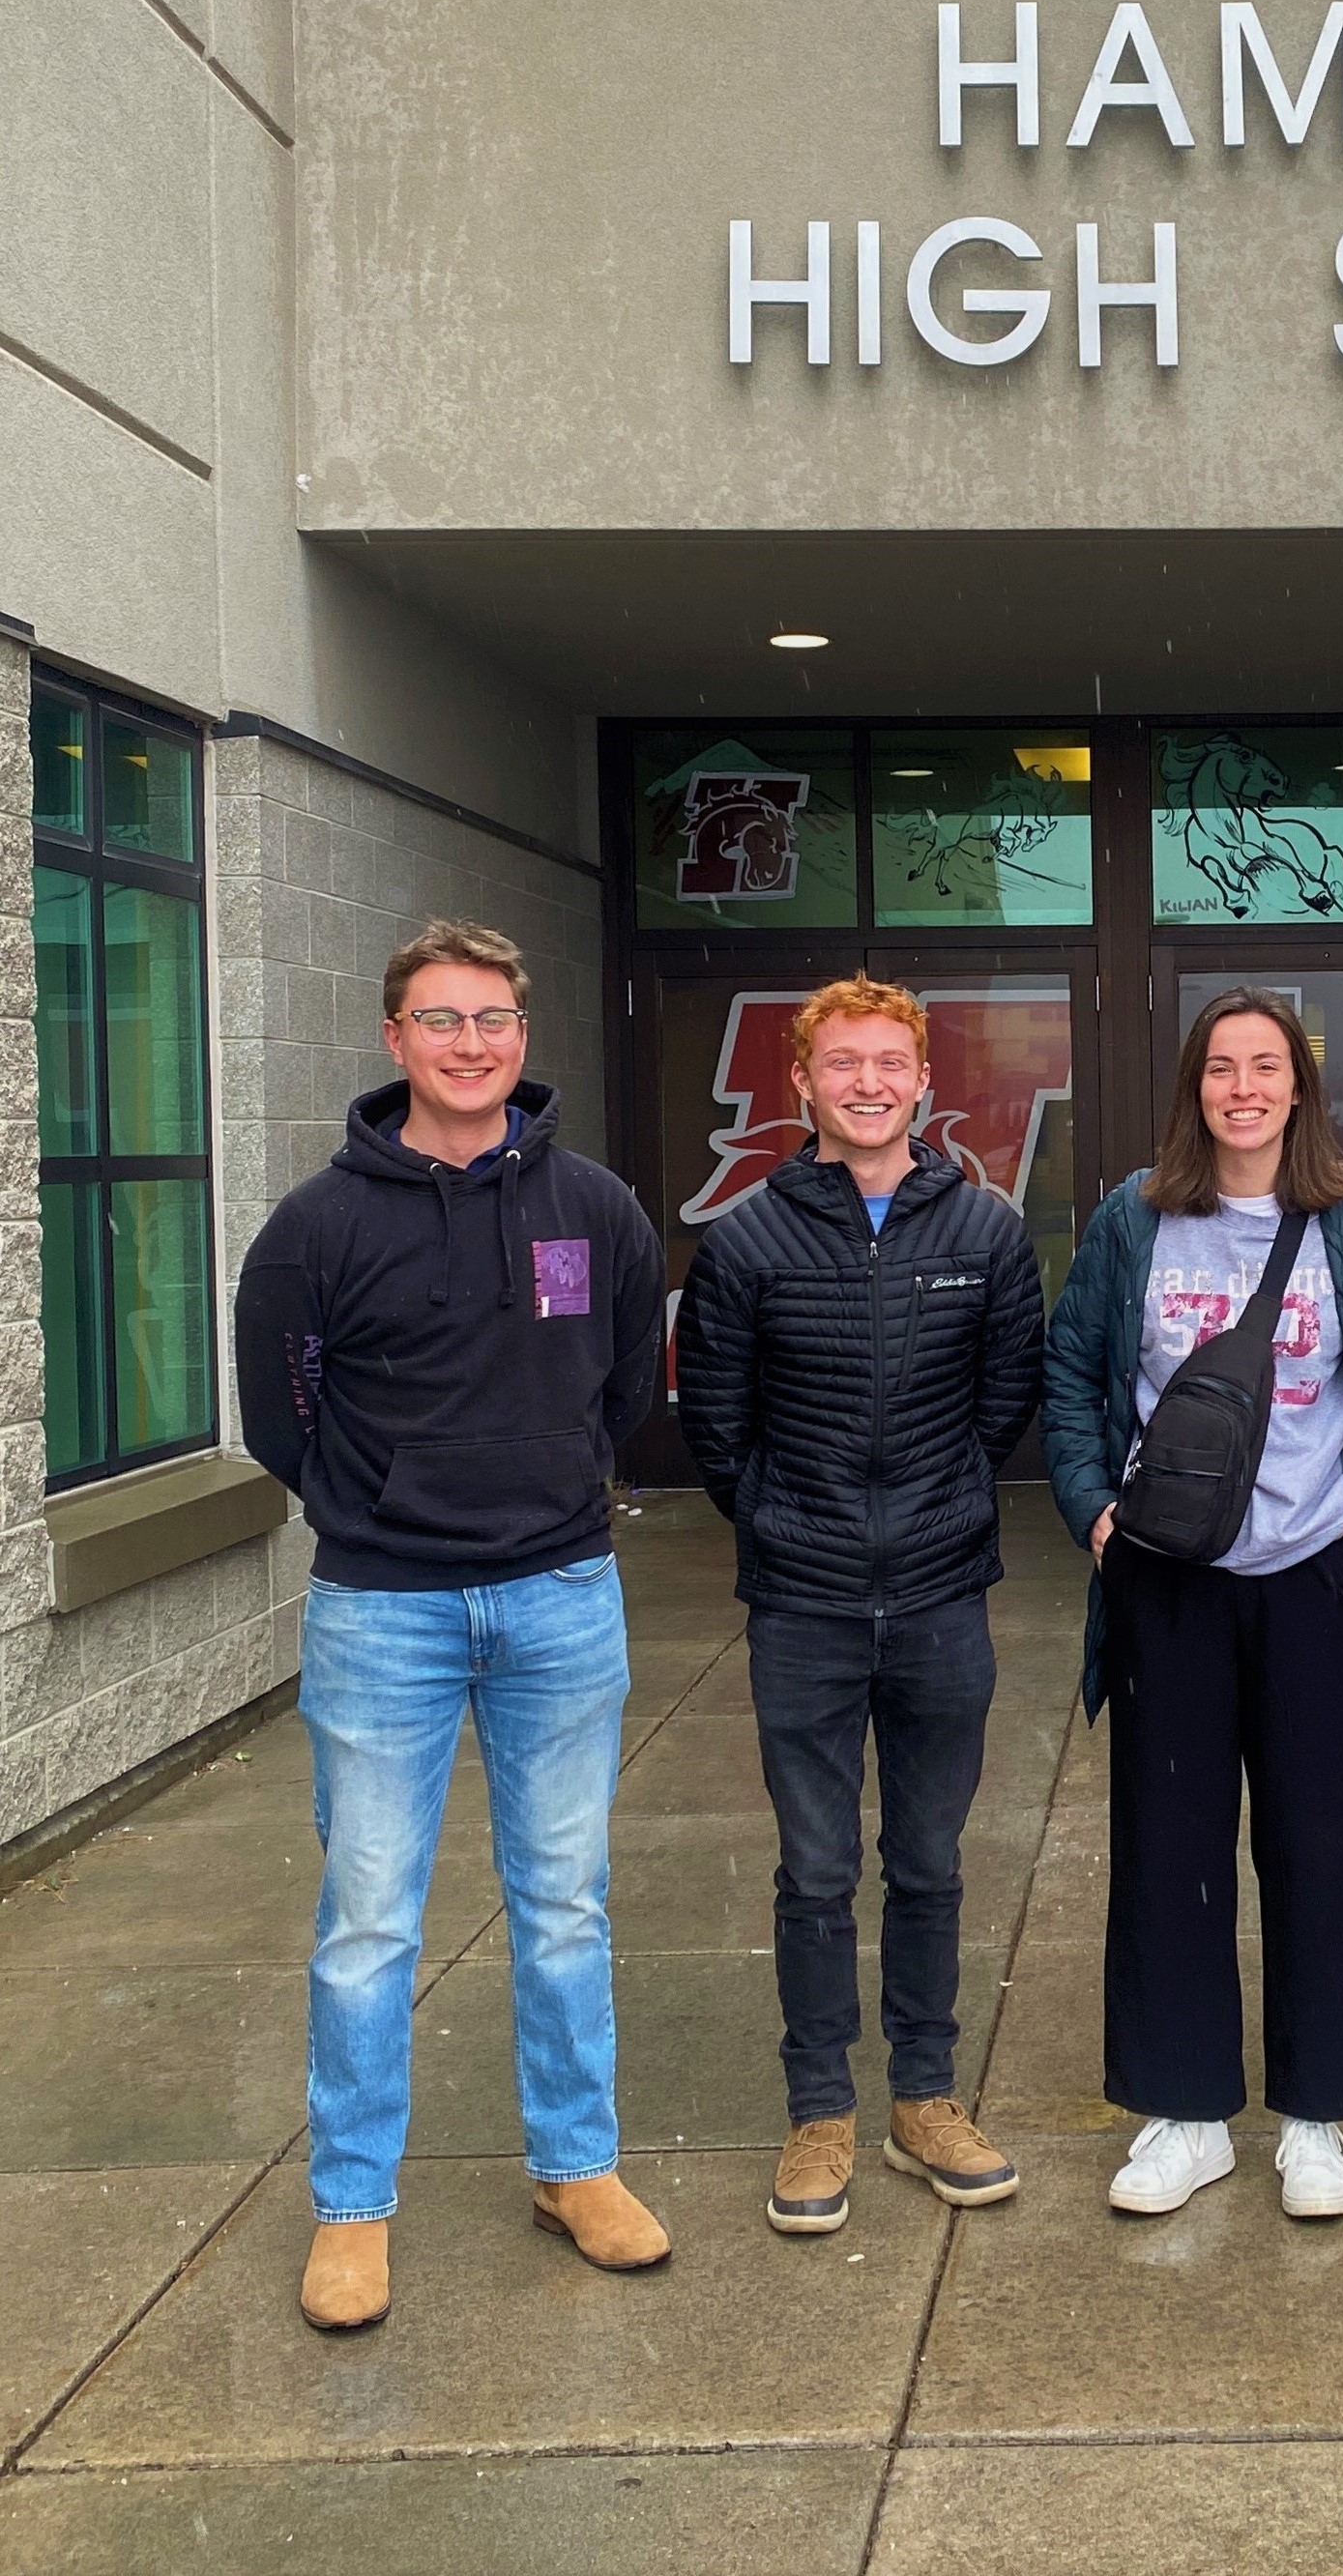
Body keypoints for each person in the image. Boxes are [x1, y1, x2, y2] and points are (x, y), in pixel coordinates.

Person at [234, 920, 669, 2334]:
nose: (470, 1042)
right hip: (384, 1611)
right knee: (367, 1921)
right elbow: (279, 1419)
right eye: (441, 1018)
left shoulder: (595, 1208)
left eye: (492, 1018)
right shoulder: (315, 1227)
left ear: (522, 1038)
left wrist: (550, 1486)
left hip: (558, 1594)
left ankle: (575, 2168)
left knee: (564, 1905)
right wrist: (386, 1508)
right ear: (393, 1038)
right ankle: (352, 2206)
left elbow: (624, 1389)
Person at [1041, 987, 1343, 2222]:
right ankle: (1183, 2116)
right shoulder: (1135, 1217)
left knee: (1319, 1848)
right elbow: (1072, 1372)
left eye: (1265, 1066)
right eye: (1221, 1068)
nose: (1242, 1088)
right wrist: (1094, 1515)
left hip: (1312, 1576)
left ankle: (1316, 2119)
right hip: (1166, 1577)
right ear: (1195, 1088)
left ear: (1299, 1087)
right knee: (1166, 1851)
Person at [677, 975, 1044, 2236]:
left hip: (943, 1594)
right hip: (806, 1602)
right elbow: (714, 1430)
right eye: (845, 1062)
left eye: (891, 1060)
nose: (870, 1081)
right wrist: (789, 1517)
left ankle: (926, 2093)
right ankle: (821, 2105)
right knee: (817, 1867)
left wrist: (937, 1506)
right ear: (805, 1083)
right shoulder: (746, 1242)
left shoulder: (985, 1233)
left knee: (932, 1860)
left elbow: (1007, 1403)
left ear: (925, 1082)